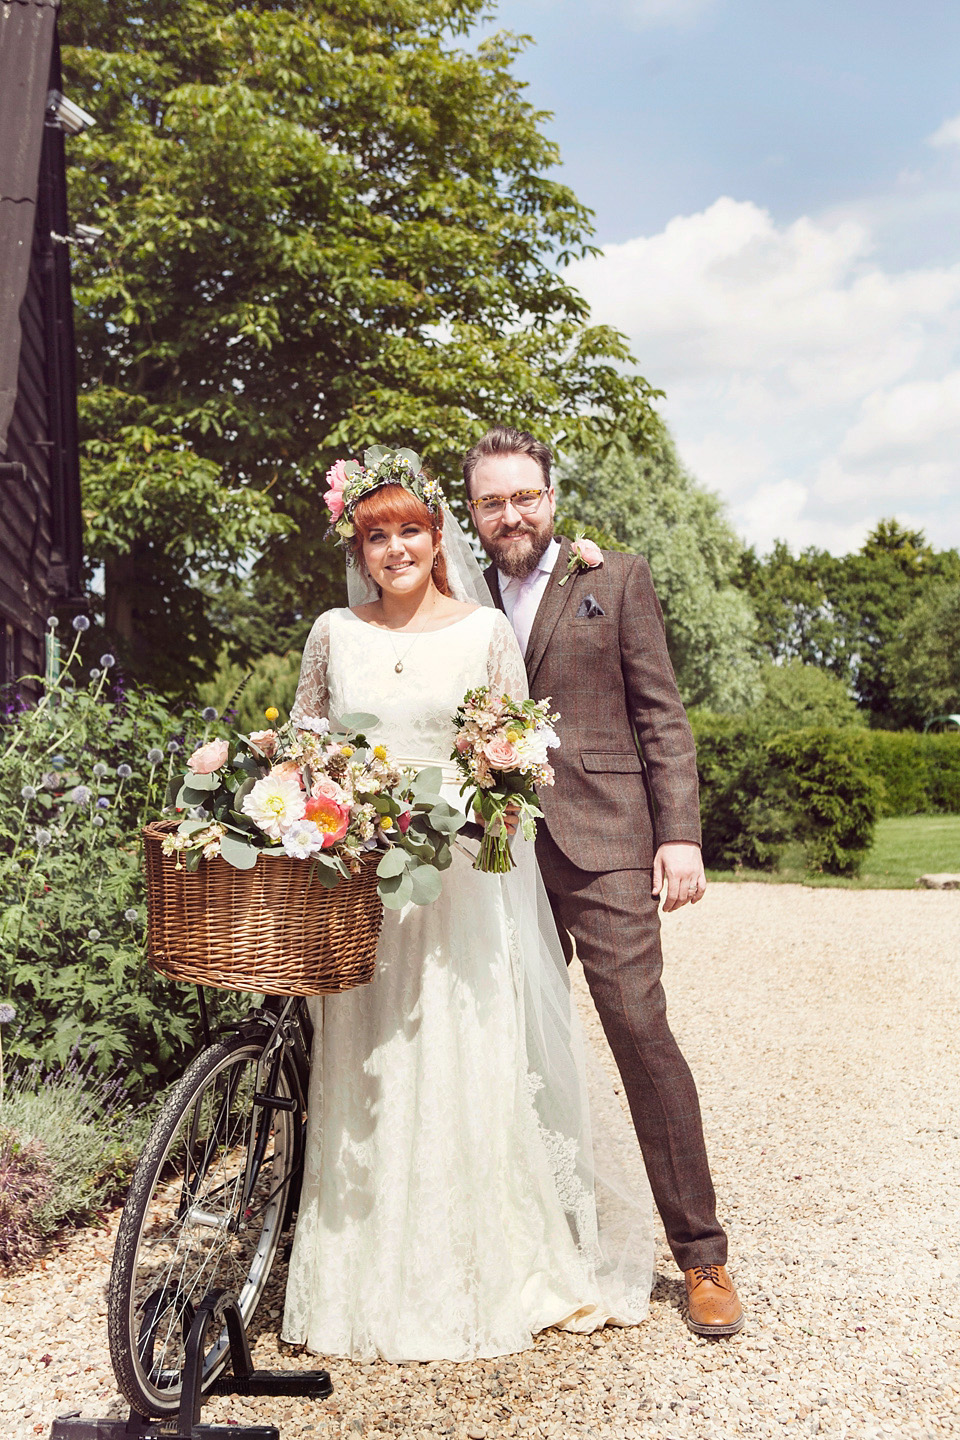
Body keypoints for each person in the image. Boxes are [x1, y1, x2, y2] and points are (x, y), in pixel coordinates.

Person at [281, 448, 654, 1363]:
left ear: (437, 535)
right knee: (368, 1065)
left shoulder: (483, 631)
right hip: (366, 882)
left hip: (459, 884)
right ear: (358, 547)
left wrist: (483, 799)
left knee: (467, 1055)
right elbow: (304, 747)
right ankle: (365, 1273)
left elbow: (518, 754)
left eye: (411, 529)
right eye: (378, 535)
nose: (397, 548)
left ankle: (494, 1262)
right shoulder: (333, 631)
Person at [464, 425, 744, 1338]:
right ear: (472, 512)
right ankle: (535, 1243)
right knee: (503, 1047)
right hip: (493, 856)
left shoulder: (613, 578)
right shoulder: (454, 597)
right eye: (492, 501)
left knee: (637, 1028)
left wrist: (680, 836)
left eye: (525, 496)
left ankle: (702, 1256)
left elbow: (661, 715)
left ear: (551, 496)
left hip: (609, 843)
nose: (511, 514)